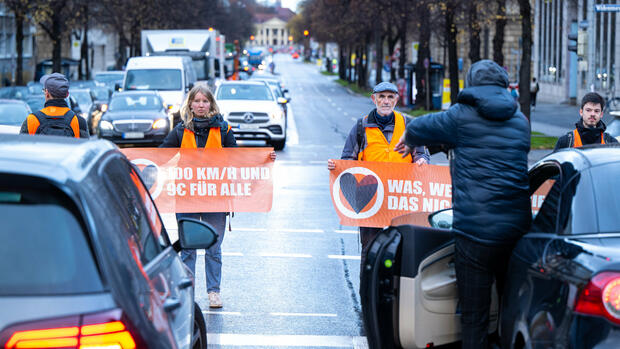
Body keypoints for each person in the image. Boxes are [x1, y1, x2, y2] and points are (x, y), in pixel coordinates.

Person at [394, 60, 531, 348]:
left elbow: (421, 126)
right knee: (512, 311)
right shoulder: (520, 120)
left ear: (471, 84)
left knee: (474, 316)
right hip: (517, 231)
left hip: (475, 232)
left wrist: (408, 137)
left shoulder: (461, 116)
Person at [160, 84, 275, 308]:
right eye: (197, 101)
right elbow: (161, 154)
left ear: (211, 104)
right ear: (190, 104)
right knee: (188, 247)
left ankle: (214, 292)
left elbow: (237, 158)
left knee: (213, 246)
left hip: (216, 197)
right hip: (188, 196)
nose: (201, 105)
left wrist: (264, 158)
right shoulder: (181, 130)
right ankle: (187, 291)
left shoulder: (224, 130)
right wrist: (134, 160)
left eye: (205, 101)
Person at [327, 81, 429, 269]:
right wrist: (337, 166)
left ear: (396, 100)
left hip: (401, 200)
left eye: (390, 97)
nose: (386, 101)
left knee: (402, 249)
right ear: (373, 99)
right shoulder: (361, 127)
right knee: (370, 251)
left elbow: (421, 153)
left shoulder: (408, 125)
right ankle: (368, 293)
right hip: (371, 200)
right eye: (381, 97)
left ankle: (397, 294)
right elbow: (348, 159)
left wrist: (422, 160)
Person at [20, 73, 89, 138]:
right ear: (67, 94)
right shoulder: (79, 122)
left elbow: (21, 147)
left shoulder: (31, 120)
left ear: (47, 93)